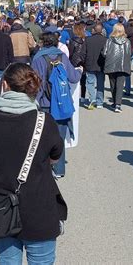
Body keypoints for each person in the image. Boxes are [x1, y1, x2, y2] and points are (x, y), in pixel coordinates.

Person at [0, 63, 67, 264]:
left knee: (7, 260)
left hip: (0, 206)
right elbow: (55, 156)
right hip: (39, 207)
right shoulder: (45, 121)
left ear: (5, 86)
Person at [32, 32, 82, 177]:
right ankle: (59, 169)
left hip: (45, 103)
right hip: (61, 103)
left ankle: (44, 169)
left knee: (42, 137)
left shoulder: (38, 59)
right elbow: (73, 78)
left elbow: (36, 83)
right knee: (59, 137)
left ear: (42, 42)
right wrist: (79, 71)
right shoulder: (62, 57)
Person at [102, 23, 131, 113]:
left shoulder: (109, 40)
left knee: (113, 85)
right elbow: (129, 53)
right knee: (120, 85)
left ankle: (115, 103)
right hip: (122, 65)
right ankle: (118, 104)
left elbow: (104, 53)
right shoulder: (127, 41)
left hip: (111, 64)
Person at [84, 24, 107, 109]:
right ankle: (100, 102)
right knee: (100, 83)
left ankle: (92, 98)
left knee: (90, 82)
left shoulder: (87, 40)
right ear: (101, 31)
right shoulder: (105, 40)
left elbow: (84, 52)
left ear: (94, 30)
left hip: (90, 63)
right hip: (101, 64)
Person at [68, 23, 87, 100]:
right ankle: (83, 96)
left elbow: (70, 52)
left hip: (73, 61)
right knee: (83, 80)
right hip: (82, 61)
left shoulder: (72, 41)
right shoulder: (85, 40)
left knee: (73, 79)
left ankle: (73, 95)